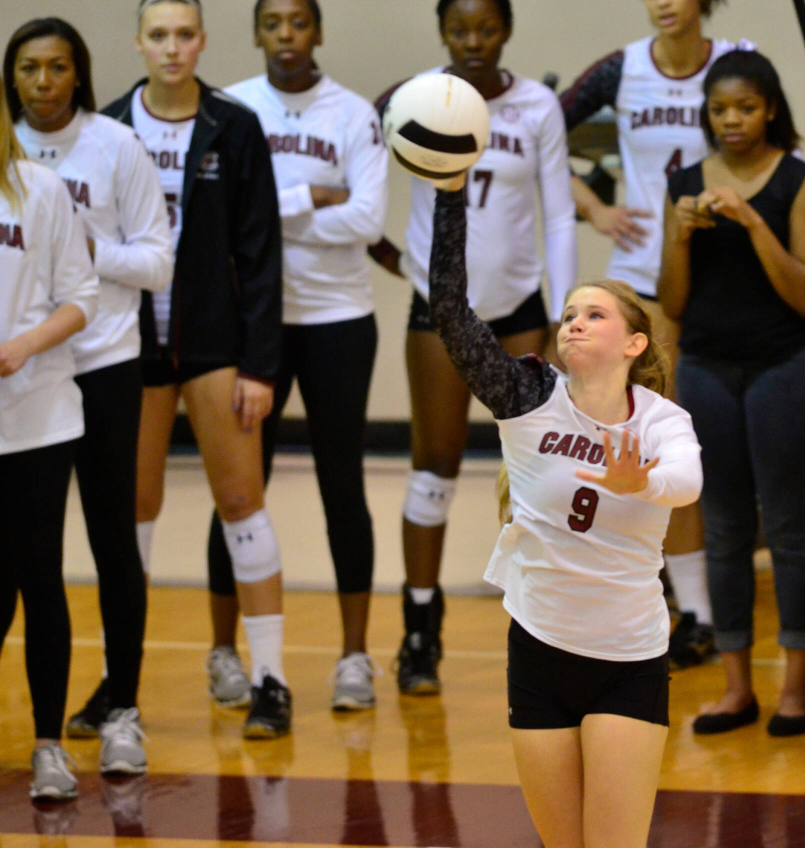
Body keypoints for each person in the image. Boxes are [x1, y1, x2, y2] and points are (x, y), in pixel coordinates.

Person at [427, 171, 701, 848]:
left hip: (628, 658)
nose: (575, 322)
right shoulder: (527, 396)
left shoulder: (662, 421)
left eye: (595, 314)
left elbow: (687, 482)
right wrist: (450, 193)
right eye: (570, 314)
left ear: (635, 343)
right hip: (539, 651)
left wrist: (641, 482)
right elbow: (451, 313)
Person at [373, 0, 575, 696]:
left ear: (506, 30)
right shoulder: (416, 100)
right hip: (440, 311)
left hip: (521, 309)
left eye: (486, 28)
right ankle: (419, 629)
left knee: (542, 474)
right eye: (459, 29)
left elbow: (559, 215)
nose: (473, 41)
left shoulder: (538, 106)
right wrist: (399, 262)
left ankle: (554, 627)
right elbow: (364, 184)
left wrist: (566, 316)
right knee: (435, 464)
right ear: (442, 32)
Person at [101, 0, 291, 738]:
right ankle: (119, 687)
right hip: (130, 348)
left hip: (215, 346)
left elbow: (261, 252)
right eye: (159, 35)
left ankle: (271, 680)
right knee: (132, 513)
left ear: (202, 42)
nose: (172, 48)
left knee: (242, 501)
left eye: (184, 35)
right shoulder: (109, 128)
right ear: (139, 43)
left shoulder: (233, 126)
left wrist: (260, 366)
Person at [6, 18, 173, 770]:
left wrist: (76, 249)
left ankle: (122, 710)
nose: (43, 82)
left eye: (58, 67)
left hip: (102, 363)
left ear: (80, 74)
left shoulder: (116, 145)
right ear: (11, 78)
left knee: (113, 541)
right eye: (29, 68)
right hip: (25, 380)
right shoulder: (6, 151)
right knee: (25, 559)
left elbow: (157, 264)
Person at [216, 0, 388, 712]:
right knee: (237, 488)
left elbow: (368, 218)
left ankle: (354, 656)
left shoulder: (352, 113)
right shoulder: (231, 109)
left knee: (341, 486)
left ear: (317, 31)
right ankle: (223, 653)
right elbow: (223, 217)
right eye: (273, 23)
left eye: (298, 23)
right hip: (253, 326)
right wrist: (312, 194)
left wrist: (268, 213)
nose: (286, 36)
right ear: (257, 32)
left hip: (338, 320)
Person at [560, 0, 742, 668]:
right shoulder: (620, 70)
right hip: (644, 279)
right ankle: (693, 611)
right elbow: (539, 130)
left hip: (726, 279)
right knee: (657, 441)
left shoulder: (736, 64)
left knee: (723, 446)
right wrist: (594, 206)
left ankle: (727, 602)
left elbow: (783, 158)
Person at [660, 49, 805, 736]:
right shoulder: (683, 184)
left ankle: (795, 689)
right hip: (706, 366)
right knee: (724, 528)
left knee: (786, 528)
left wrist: (753, 221)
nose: (732, 120)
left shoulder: (799, 181)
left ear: (770, 110)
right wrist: (679, 236)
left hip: (782, 364)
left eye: (746, 108)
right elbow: (672, 301)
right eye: (720, 109)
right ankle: (736, 689)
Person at [0, 86, 99, 800]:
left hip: (37, 418)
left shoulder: (38, 188)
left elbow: (82, 297)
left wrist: (22, 346)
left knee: (39, 578)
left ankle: (48, 745)